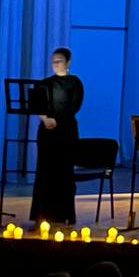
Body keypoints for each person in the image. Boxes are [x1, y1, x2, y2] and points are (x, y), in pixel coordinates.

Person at [30, 47, 83, 224]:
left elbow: (74, 106)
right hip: (47, 132)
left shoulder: (75, 82)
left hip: (66, 131)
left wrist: (56, 120)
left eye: (59, 60)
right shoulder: (45, 83)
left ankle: (65, 214)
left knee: (64, 172)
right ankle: (42, 215)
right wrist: (45, 119)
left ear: (68, 62)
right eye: (53, 61)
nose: (55, 64)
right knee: (44, 171)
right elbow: (37, 104)